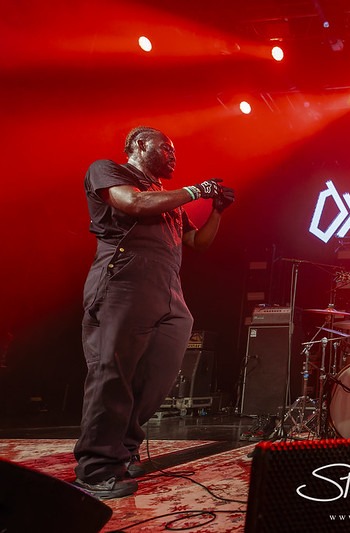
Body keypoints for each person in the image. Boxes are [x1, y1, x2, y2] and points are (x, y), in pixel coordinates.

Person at [73, 126, 235, 499]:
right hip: (123, 282)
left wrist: (216, 211)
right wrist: (197, 190)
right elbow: (132, 203)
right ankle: (95, 470)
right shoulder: (109, 170)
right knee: (112, 376)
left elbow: (197, 242)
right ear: (141, 145)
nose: (173, 156)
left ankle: (125, 449)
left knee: (156, 379)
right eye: (167, 148)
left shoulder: (167, 200)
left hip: (168, 292)